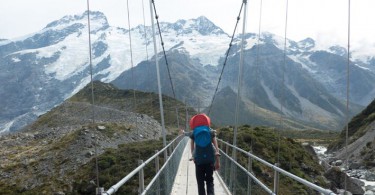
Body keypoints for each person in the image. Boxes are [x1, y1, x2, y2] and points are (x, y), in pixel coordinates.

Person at [181, 113, 220, 195]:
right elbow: (216, 148)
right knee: (210, 181)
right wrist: (218, 162)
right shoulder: (210, 131)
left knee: (200, 183)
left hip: (199, 160)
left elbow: (192, 146)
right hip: (210, 160)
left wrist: (193, 156)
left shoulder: (194, 132)